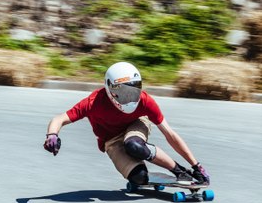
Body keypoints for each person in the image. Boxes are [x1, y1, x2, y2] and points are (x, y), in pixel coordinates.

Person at [43, 62, 210, 185]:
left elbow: (170, 134)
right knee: (139, 178)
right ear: (109, 90)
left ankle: (180, 171)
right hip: (110, 140)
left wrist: (196, 165)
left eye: (133, 90)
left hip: (136, 124)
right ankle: (140, 172)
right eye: (122, 92)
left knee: (134, 146)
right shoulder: (94, 103)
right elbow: (59, 119)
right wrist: (52, 134)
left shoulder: (145, 101)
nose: (130, 97)